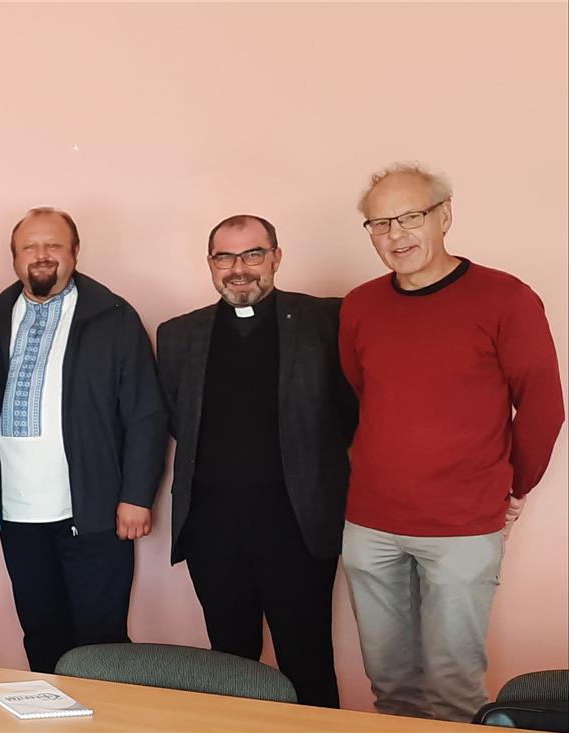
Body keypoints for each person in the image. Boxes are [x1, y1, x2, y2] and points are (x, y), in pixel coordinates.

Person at [339, 163, 564, 721]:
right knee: (390, 685)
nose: (396, 235)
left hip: (462, 526)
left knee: (453, 687)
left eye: (410, 217)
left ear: (444, 216)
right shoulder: (360, 305)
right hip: (370, 522)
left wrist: (516, 487)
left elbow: (543, 406)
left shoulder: (506, 298)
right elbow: (359, 394)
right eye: (379, 223)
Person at [156, 215, 356, 707]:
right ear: (210, 264)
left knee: (307, 661)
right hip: (212, 531)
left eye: (252, 254)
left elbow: (350, 414)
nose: (238, 269)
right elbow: (179, 420)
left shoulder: (327, 320)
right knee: (230, 665)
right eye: (224, 257)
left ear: (276, 258)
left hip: (298, 529)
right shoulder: (178, 335)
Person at [0, 207, 167, 675]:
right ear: (14, 258)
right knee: (41, 634)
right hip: (16, 514)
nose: (42, 256)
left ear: (75, 252)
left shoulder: (113, 318)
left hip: (94, 510)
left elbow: (146, 414)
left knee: (102, 641)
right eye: (29, 247)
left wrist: (136, 497)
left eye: (53, 245)